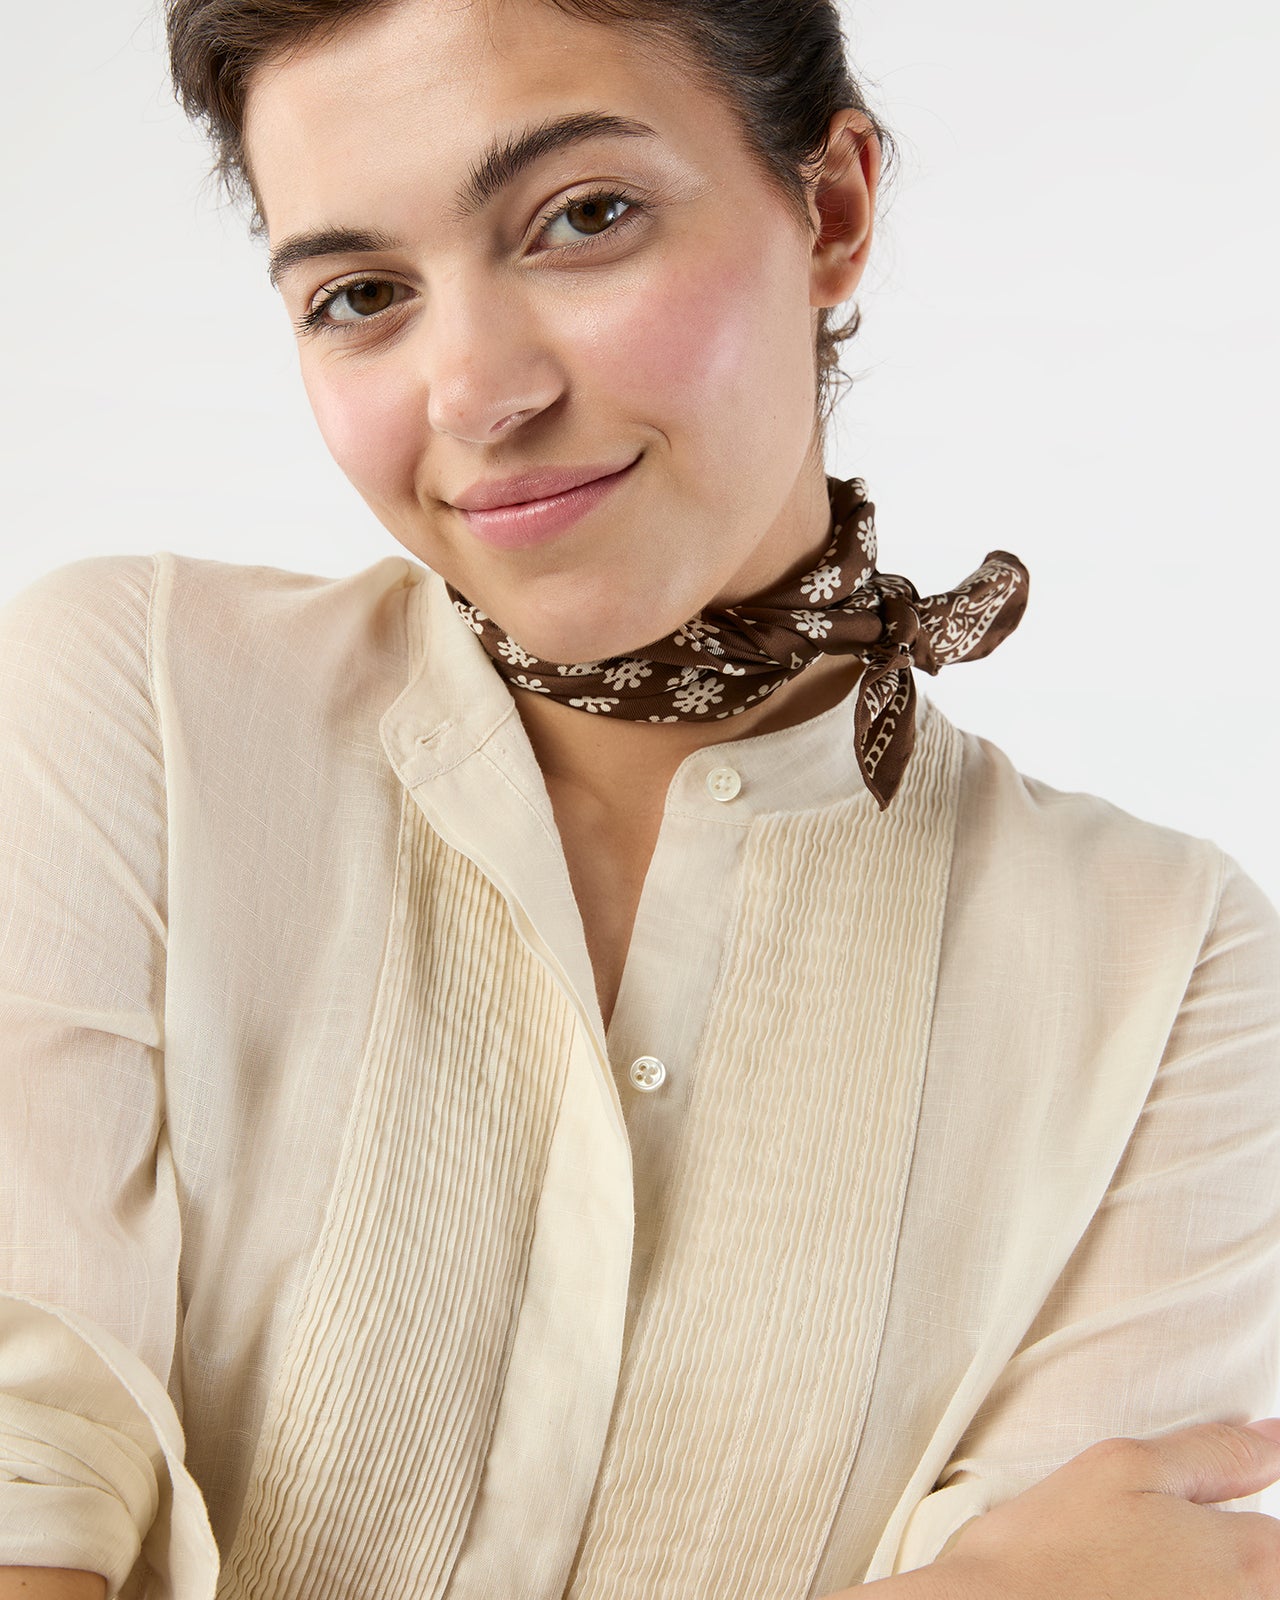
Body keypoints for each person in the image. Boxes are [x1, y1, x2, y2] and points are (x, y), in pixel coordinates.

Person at [2, 1, 1279, 1597]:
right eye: (360, 295)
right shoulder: (132, 710)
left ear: (830, 210)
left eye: (583, 219)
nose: (476, 393)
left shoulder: (1171, 970)